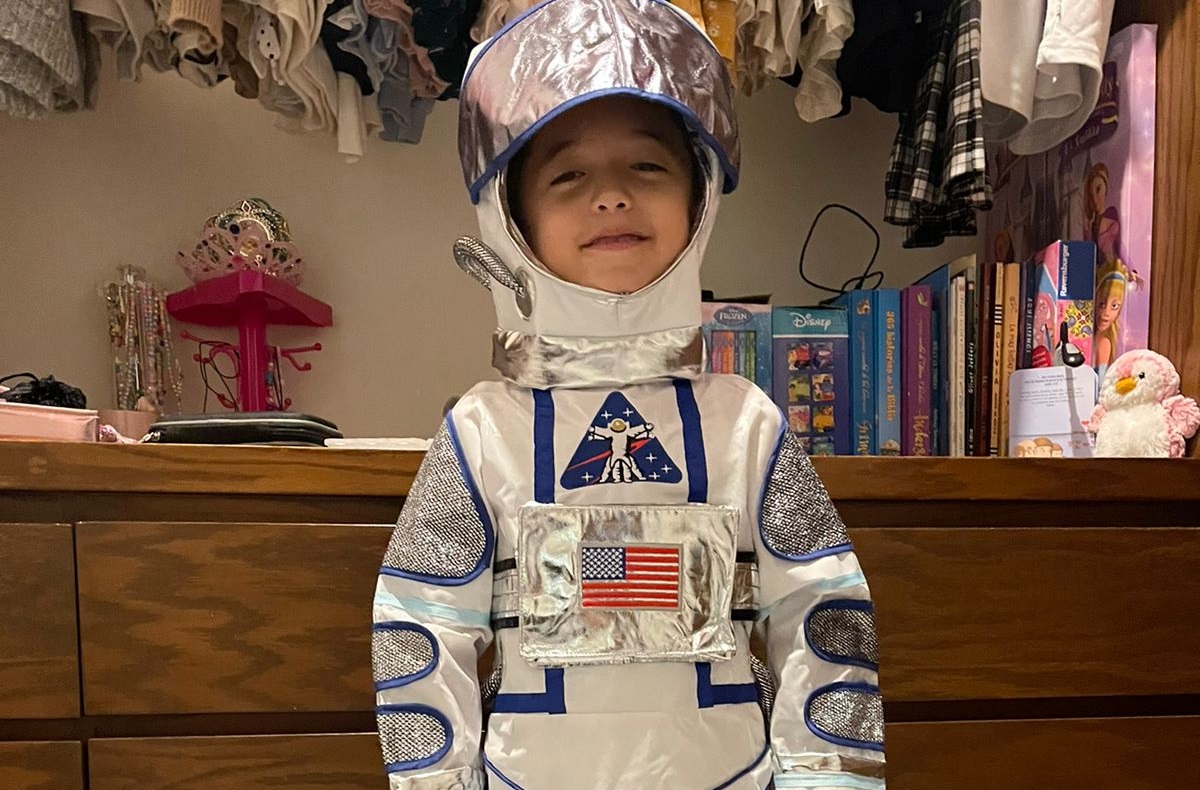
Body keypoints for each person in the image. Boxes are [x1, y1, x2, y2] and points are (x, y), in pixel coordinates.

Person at [371, 2, 885, 788]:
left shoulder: (745, 424)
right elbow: (419, 628)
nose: (611, 195)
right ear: (511, 215)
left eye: (647, 166)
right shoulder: (481, 433)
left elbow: (824, 614)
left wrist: (829, 779)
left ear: (699, 195)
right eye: (568, 174)